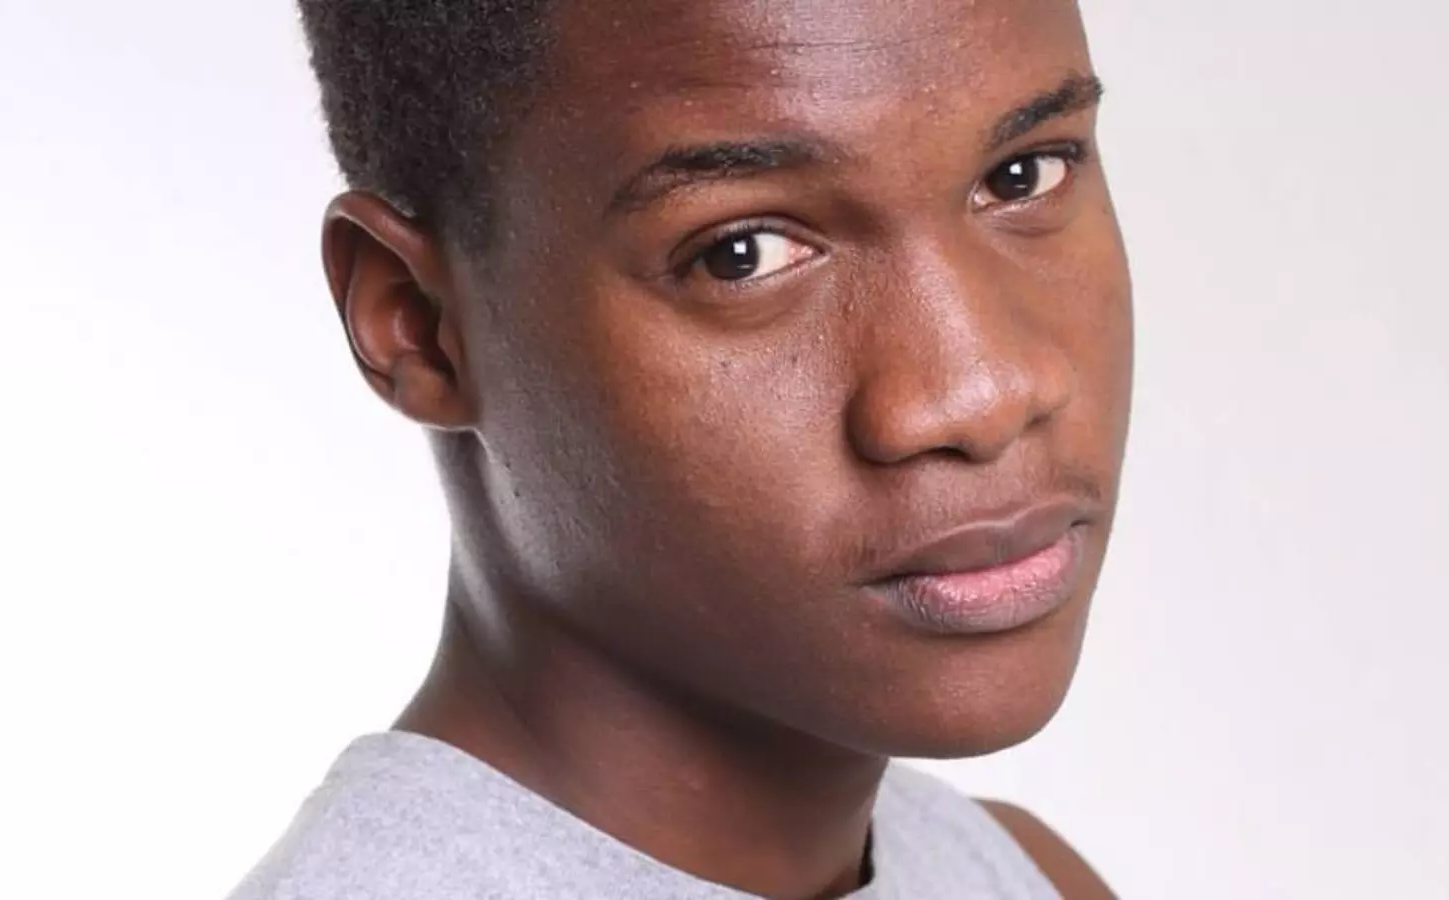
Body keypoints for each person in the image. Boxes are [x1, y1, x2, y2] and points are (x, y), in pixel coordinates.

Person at [230, 0, 1132, 896]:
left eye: (1023, 175)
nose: (983, 397)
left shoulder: (1021, 875)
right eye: (742, 253)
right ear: (417, 324)